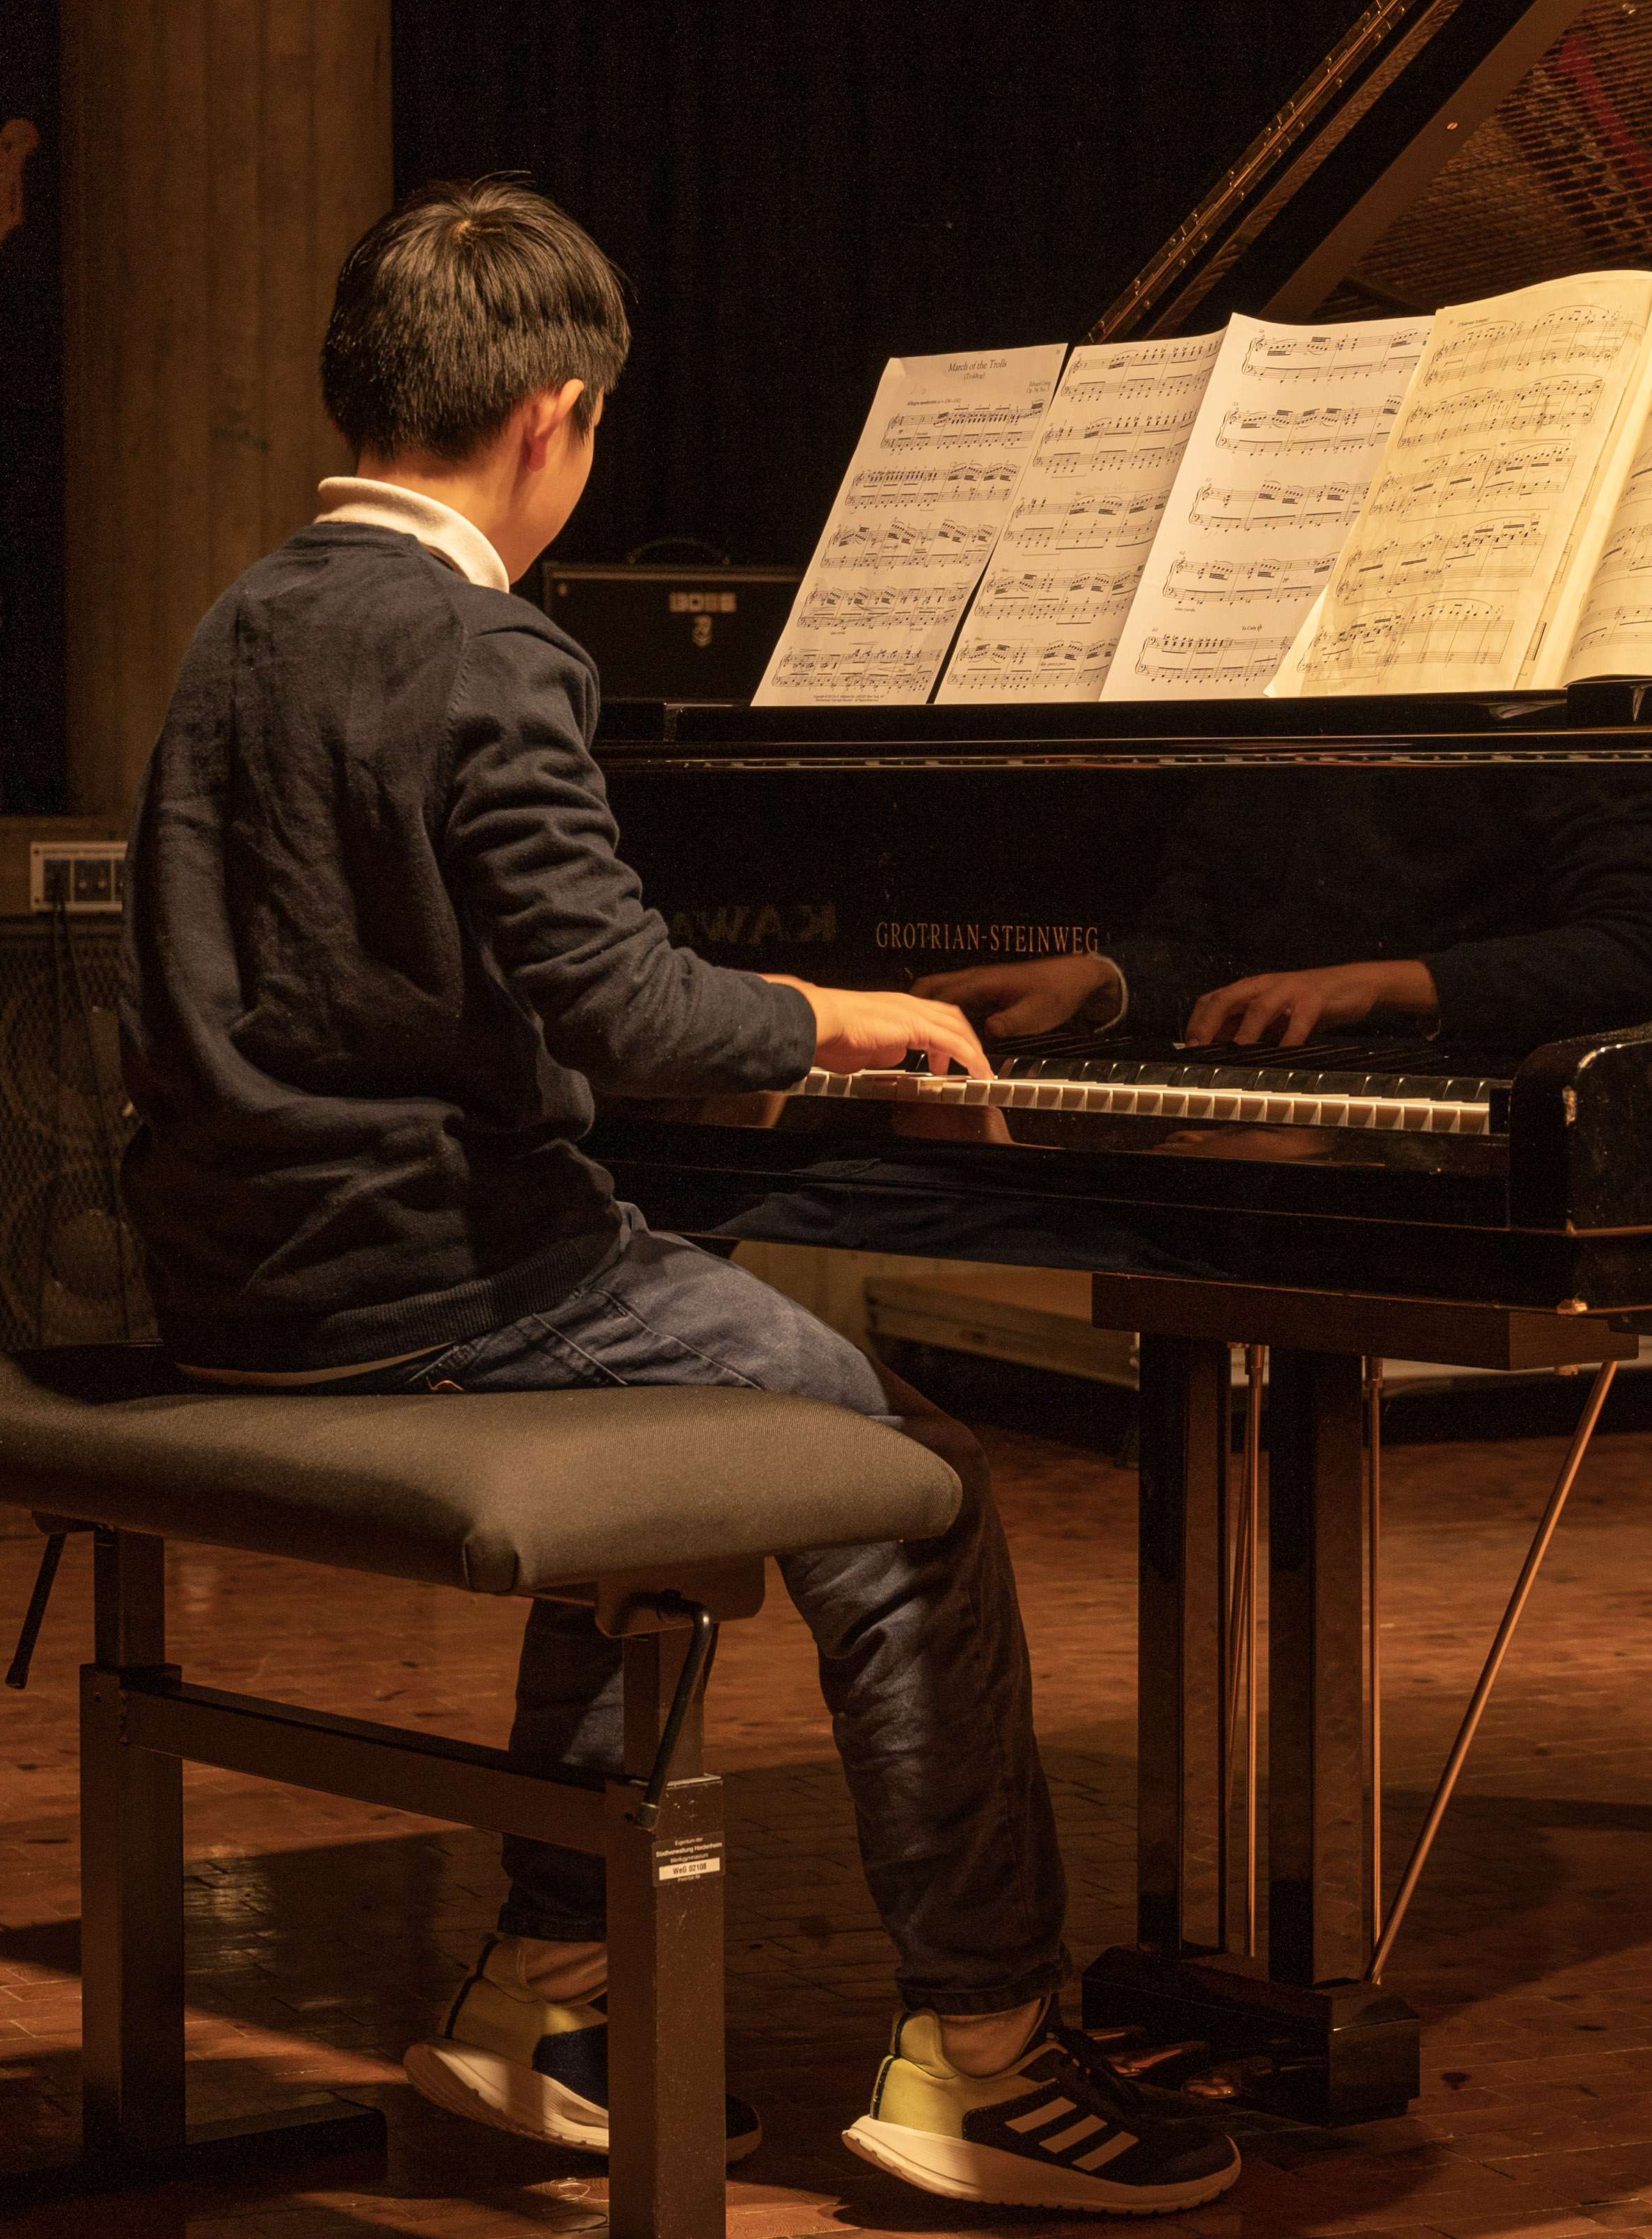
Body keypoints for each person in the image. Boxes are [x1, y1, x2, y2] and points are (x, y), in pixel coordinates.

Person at [117, 175, 1241, 2215]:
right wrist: (837, 1016)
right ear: (553, 415)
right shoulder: (489, 649)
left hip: (236, 1276)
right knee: (917, 1487)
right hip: (441, 1284)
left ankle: (545, 1999)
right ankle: (987, 2057)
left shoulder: (243, 621)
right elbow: (624, 1009)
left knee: (661, 1443)